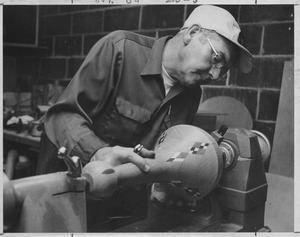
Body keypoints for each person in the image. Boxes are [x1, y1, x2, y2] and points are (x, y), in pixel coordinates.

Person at [37, 4, 253, 231]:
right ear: (192, 33)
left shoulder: (192, 94)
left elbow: (167, 151)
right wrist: (100, 152)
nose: (215, 74)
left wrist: (166, 185)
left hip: (123, 203)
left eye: (224, 69)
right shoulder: (119, 49)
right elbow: (62, 116)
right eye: (217, 58)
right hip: (68, 191)